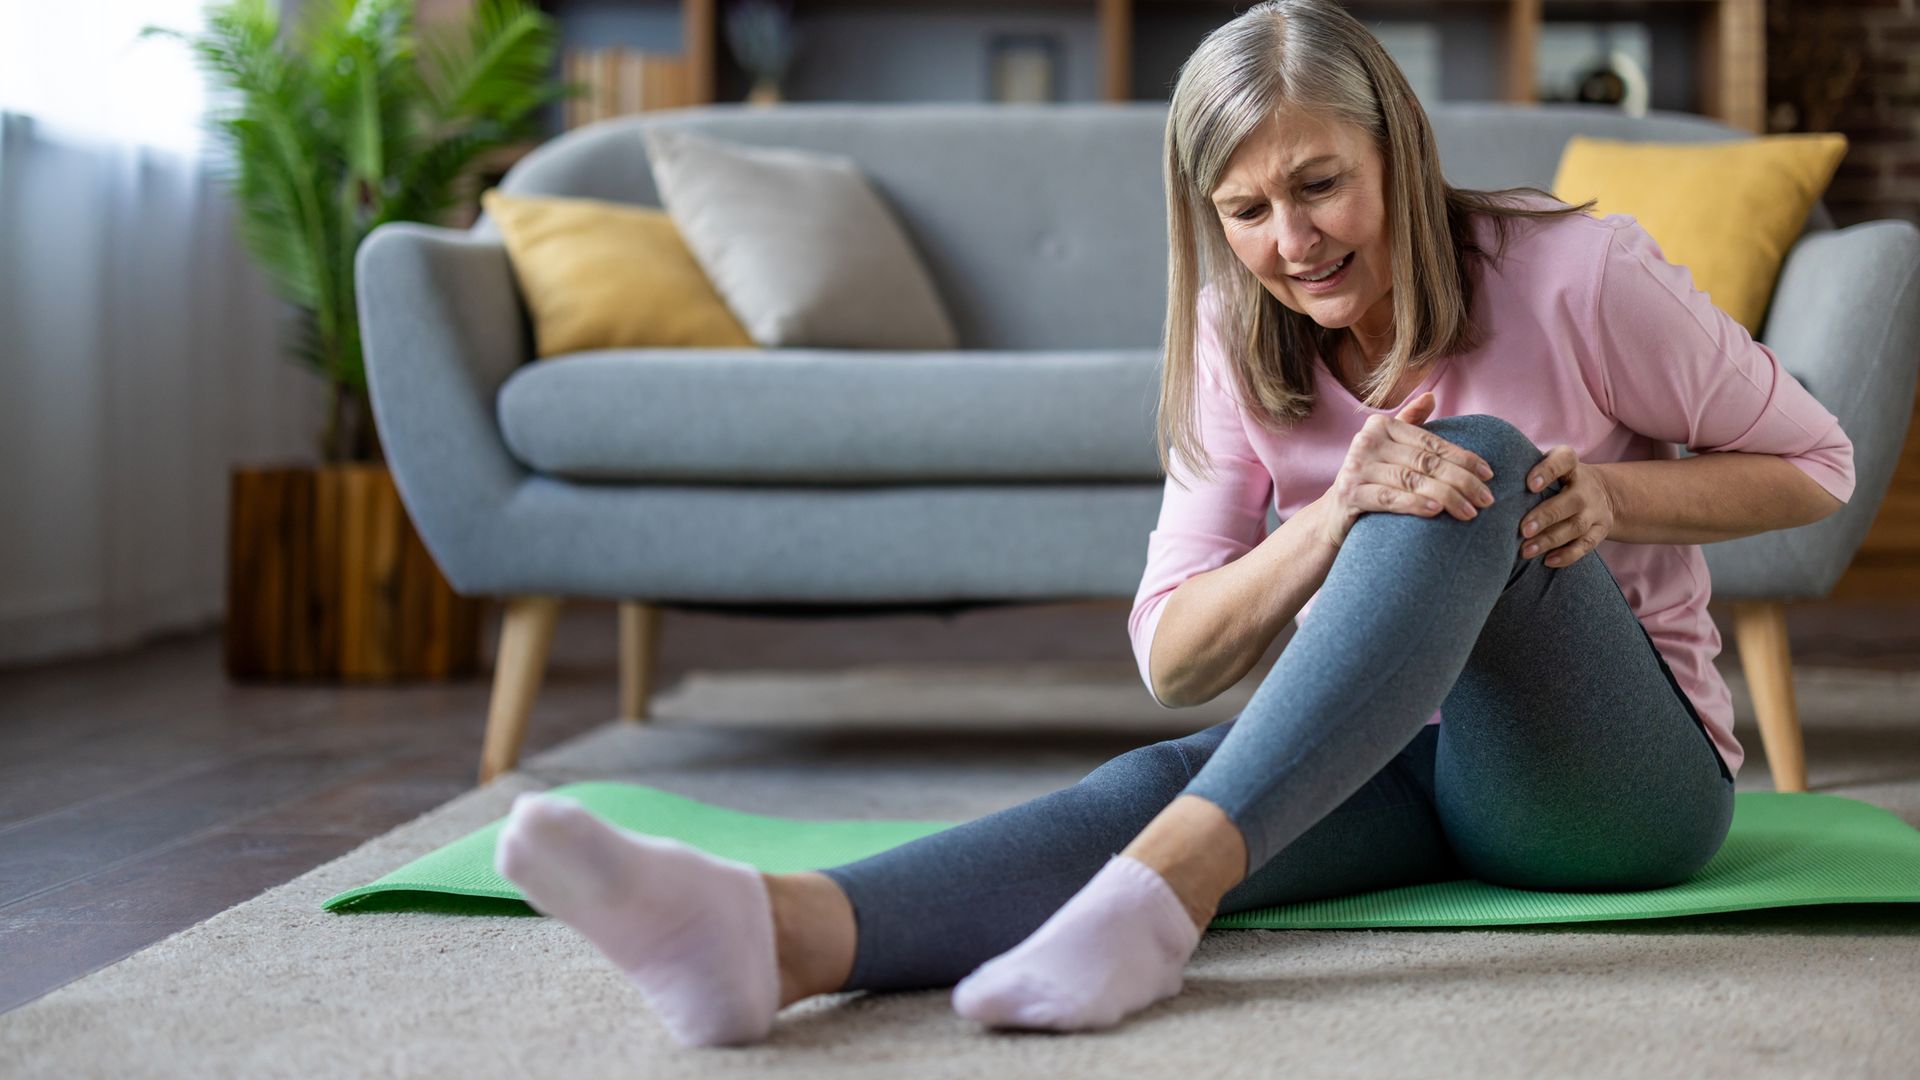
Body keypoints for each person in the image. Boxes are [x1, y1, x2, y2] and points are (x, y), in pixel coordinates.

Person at [491, 0, 1856, 1049]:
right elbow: (1173, 652)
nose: (1292, 242)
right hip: (1412, 772)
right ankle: (776, 937)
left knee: (1473, 461)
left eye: (1319, 185)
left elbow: (1817, 462)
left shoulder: (1575, 272)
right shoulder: (1235, 330)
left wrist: (1617, 494)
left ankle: (1161, 900)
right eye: (1246, 210)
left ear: (1395, 146)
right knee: (1163, 776)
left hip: (1617, 791)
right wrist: (1328, 525)